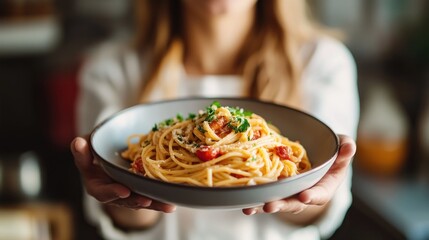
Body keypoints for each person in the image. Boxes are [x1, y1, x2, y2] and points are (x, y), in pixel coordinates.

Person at [71, 0, 359, 239]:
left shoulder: (323, 62)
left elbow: (317, 207)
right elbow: (125, 216)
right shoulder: (109, 69)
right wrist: (126, 199)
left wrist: (307, 196)